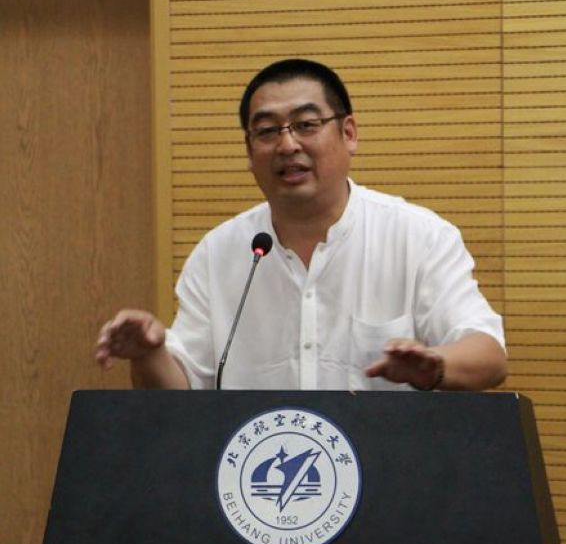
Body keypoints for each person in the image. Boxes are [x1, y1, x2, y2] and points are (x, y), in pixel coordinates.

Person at [96, 59, 507, 392]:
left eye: (306, 125)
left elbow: (488, 355)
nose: (287, 144)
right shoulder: (218, 254)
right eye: (267, 131)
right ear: (249, 151)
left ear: (349, 133)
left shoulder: (419, 237)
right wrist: (148, 355)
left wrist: (435, 366)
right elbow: (180, 391)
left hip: (387, 464)